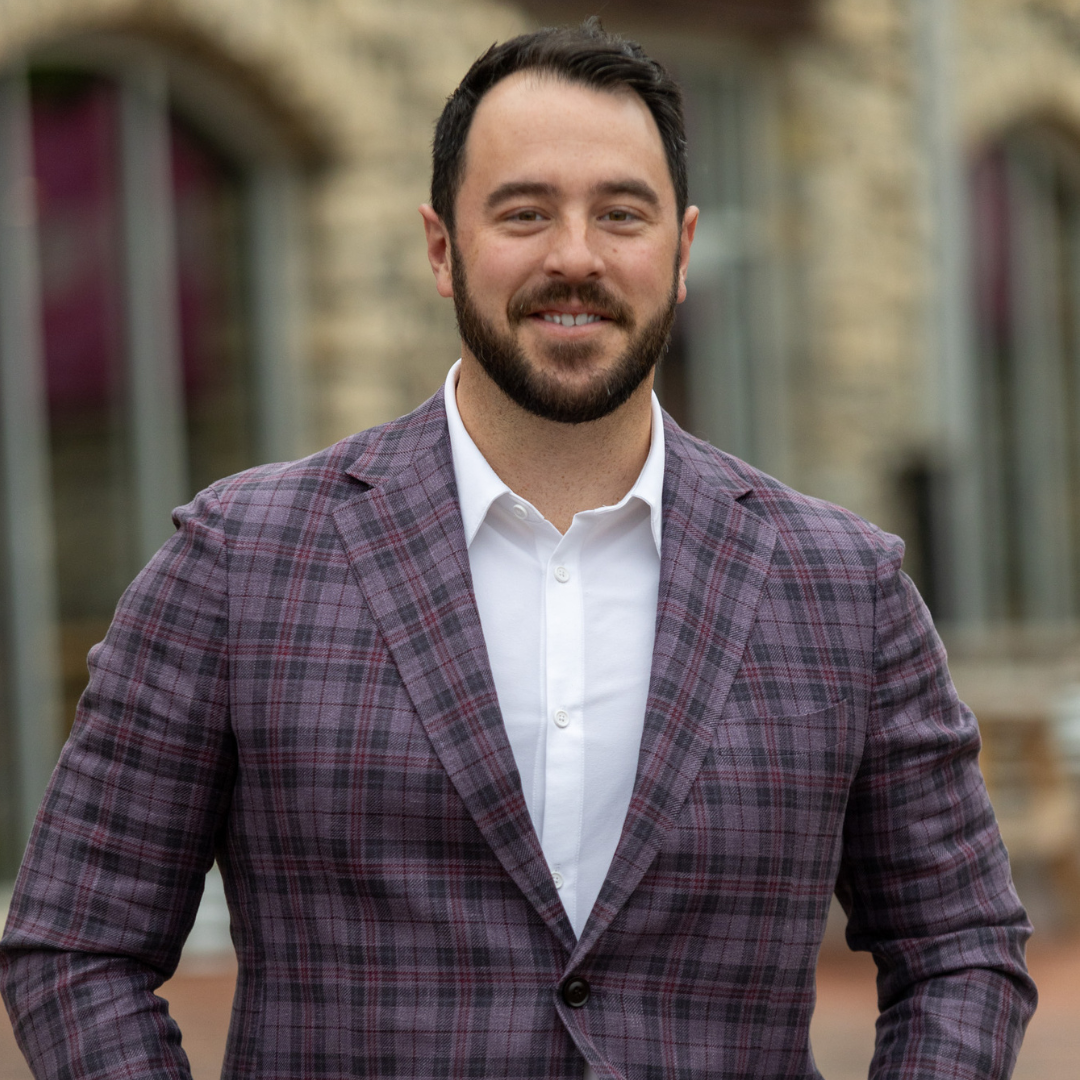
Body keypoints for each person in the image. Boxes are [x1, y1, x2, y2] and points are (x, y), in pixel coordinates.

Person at [1, 21, 1035, 1080]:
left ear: (680, 252)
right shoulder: (238, 564)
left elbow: (962, 949)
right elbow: (76, 946)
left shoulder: (842, 588)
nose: (574, 255)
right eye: (525, 212)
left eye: (620, 214)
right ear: (443, 249)